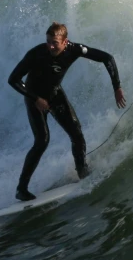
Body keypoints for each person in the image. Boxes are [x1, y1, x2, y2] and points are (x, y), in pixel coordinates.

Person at [8, 22, 126, 201]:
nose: (50, 46)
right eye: (48, 41)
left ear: (65, 42)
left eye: (55, 42)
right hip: (35, 99)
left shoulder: (74, 50)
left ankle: (82, 173)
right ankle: (21, 189)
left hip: (55, 95)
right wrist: (36, 99)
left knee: (77, 134)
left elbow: (107, 58)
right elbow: (13, 79)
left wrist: (116, 87)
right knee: (42, 141)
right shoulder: (36, 53)